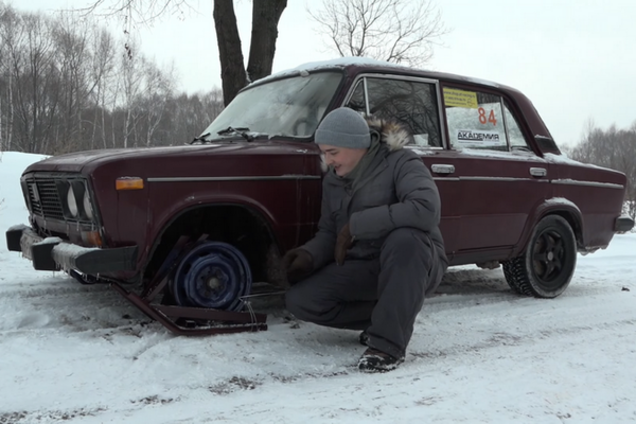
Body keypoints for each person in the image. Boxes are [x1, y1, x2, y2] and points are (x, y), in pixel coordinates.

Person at [283, 107, 448, 373]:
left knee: (406, 239)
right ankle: (385, 319)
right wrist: (308, 255)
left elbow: (426, 209)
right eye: (323, 152)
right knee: (301, 300)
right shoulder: (333, 181)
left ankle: (387, 345)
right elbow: (329, 232)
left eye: (332, 152)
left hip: (414, 262)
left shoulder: (401, 162)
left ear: (357, 145)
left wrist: (358, 224)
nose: (328, 160)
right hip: (365, 262)